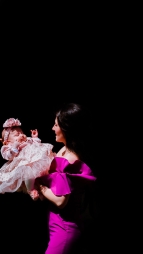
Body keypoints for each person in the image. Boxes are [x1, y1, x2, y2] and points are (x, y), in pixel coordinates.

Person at [36, 103, 96, 254]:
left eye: (56, 125)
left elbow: (60, 201)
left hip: (64, 229)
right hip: (57, 225)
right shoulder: (63, 150)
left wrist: (39, 186)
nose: (52, 128)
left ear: (67, 128)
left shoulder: (69, 159)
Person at [0, 118, 54, 200]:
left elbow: (37, 145)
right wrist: (16, 144)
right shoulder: (8, 147)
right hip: (23, 164)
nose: (21, 135)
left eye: (21, 133)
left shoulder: (27, 140)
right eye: (17, 135)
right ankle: (31, 190)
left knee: (44, 165)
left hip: (34, 160)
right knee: (28, 173)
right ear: (7, 141)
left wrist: (34, 138)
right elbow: (10, 156)